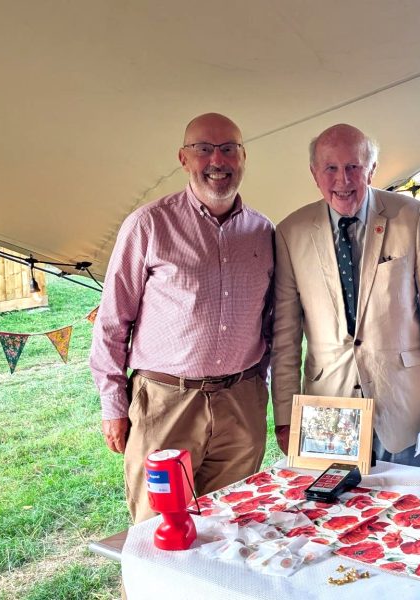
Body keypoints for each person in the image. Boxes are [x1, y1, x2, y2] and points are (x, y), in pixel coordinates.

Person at [90, 113, 276, 523]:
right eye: (203, 149)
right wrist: (113, 404)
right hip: (165, 403)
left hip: (241, 404)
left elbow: (271, 323)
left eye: (229, 148)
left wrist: (258, 389)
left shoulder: (263, 232)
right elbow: (112, 321)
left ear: (243, 157)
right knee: (160, 528)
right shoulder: (149, 225)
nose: (217, 160)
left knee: (234, 526)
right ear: (183, 158)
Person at [271, 123, 420, 468]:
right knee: (333, 513)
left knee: (405, 511)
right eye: (331, 168)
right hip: (327, 408)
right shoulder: (290, 232)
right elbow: (285, 336)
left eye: (353, 167)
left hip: (404, 404)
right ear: (315, 173)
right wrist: (284, 415)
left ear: (371, 169)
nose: (343, 180)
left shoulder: (410, 216)